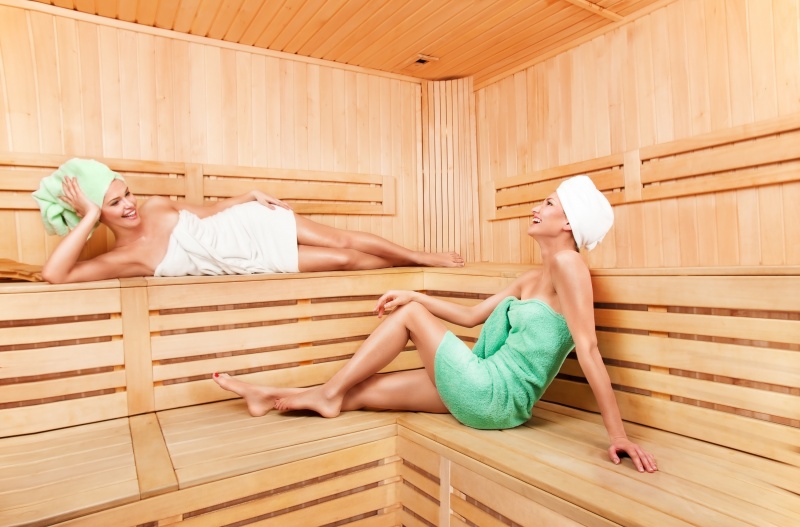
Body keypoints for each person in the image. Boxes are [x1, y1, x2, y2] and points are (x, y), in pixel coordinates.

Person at [213, 175, 658, 473]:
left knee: (406, 321)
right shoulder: (531, 277)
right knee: (365, 391)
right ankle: (269, 394)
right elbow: (469, 318)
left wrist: (617, 435)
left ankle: (326, 395)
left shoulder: (569, 266)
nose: (537, 208)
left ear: (569, 223)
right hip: (478, 380)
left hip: (495, 397)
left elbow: (589, 349)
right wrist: (416, 293)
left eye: (549, 203)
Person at [33, 158, 464, 283]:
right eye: (112, 204)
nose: (128, 204)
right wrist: (87, 217)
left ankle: (419, 258)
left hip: (249, 224)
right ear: (95, 215)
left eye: (125, 192)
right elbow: (55, 275)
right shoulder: (121, 259)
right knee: (341, 260)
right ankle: (403, 266)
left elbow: (207, 213)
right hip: (246, 261)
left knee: (342, 239)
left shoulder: (157, 205)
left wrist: (249, 196)